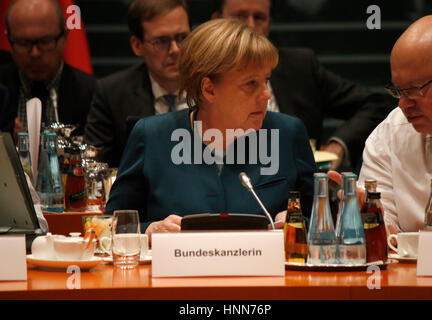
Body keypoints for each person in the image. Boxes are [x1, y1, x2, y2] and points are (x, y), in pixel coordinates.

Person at [105, 19, 317, 243]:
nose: (266, 94)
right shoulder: (151, 135)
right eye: (250, 84)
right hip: (177, 274)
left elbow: (323, 221)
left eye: (266, 80)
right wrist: (150, 230)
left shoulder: (287, 133)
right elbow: (112, 224)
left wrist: (299, 221)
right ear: (209, 89)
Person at [212, 0, 395, 170]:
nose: (251, 26)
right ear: (217, 19)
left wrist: (337, 146)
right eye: (240, 16)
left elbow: (375, 104)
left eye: (259, 17)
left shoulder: (299, 66)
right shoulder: (202, 74)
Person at [355, 15, 432, 235]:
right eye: (398, 90)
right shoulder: (389, 135)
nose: (404, 104)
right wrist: (373, 222)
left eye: (415, 88)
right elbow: (388, 235)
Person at [84, 0, 191, 168]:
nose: (175, 49)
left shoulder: (215, 88)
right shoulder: (112, 94)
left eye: (182, 38)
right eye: (161, 41)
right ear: (137, 45)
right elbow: (95, 166)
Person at [0, 0, 95, 139]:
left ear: (64, 36)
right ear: (9, 40)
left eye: (45, 42)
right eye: (23, 43)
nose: (35, 53)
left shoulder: (92, 94)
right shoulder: (1, 89)